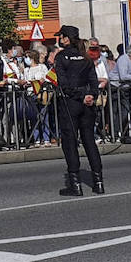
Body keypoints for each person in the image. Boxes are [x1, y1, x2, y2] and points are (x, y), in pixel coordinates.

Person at [52, 26, 103, 196]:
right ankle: (98, 182)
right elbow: (93, 80)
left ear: (66, 38)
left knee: (70, 142)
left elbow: (64, 84)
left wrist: (80, 96)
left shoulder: (61, 57)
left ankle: (75, 185)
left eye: (61, 36)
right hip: (87, 103)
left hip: (71, 103)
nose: (60, 39)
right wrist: (90, 95)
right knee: (89, 140)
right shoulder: (85, 56)